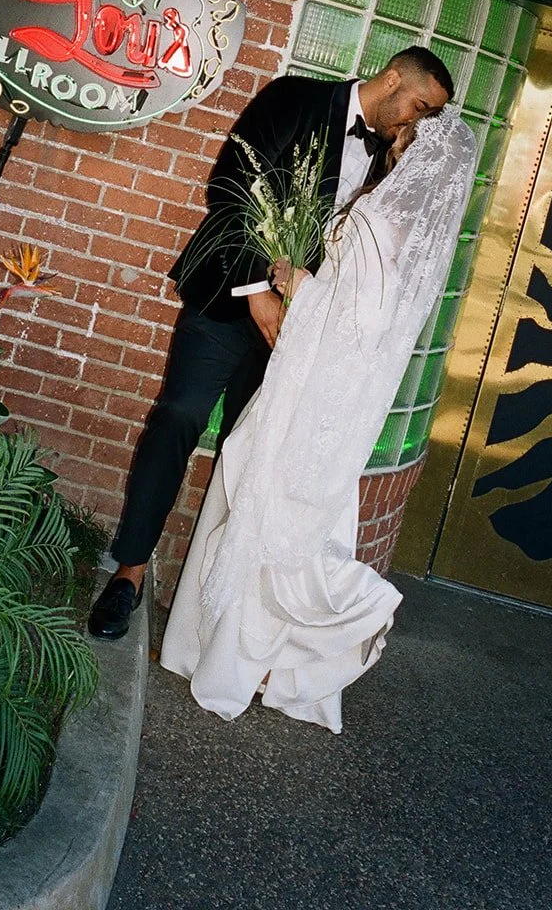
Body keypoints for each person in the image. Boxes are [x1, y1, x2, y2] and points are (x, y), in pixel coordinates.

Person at [87, 48, 454, 640]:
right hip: (228, 301)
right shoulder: (295, 98)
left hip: (302, 337)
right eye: (418, 107)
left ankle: (215, 608)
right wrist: (259, 286)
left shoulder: (394, 159)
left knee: (254, 457)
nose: (416, 123)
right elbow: (230, 187)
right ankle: (128, 573)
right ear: (392, 80)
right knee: (179, 416)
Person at [160, 105, 475, 730]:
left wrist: (299, 285)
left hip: (316, 383)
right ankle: (251, 658)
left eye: (409, 134)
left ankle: (330, 617)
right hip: (324, 384)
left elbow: (360, 323)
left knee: (273, 500)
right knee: (280, 499)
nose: (395, 135)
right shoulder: (400, 226)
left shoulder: (383, 222)